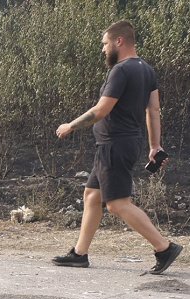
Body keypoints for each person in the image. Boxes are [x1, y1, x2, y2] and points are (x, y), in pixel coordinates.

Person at [53, 20, 182, 275]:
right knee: (92, 196)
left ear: (118, 41)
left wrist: (70, 125)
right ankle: (80, 253)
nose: (103, 49)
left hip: (115, 144)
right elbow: (153, 110)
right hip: (122, 143)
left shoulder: (121, 71)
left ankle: (164, 247)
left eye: (105, 44)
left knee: (117, 204)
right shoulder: (147, 69)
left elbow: (101, 110)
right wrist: (155, 145)